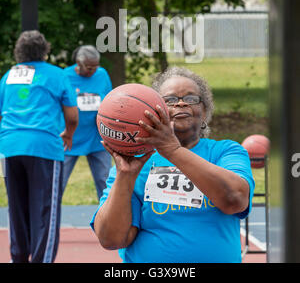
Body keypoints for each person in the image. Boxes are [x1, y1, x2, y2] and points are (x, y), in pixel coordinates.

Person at [90, 66, 255, 263]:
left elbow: (235, 199)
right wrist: (125, 176)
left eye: (191, 99)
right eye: (170, 100)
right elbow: (111, 239)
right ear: (152, 111)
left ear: (204, 111)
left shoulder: (225, 151)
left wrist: (173, 151)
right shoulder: (134, 162)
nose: (181, 104)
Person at [0, 30, 78, 263]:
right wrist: (69, 134)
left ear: (18, 51)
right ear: (45, 50)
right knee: (45, 209)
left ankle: (19, 257)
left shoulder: (8, 76)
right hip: (43, 146)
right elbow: (72, 116)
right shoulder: (57, 74)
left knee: (16, 209)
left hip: (10, 146)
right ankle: (42, 259)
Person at [62, 45, 113, 200]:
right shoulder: (65, 76)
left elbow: (110, 100)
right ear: (78, 62)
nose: (93, 71)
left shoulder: (102, 74)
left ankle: (107, 220)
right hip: (70, 137)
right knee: (58, 181)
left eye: (95, 67)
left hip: (97, 137)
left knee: (105, 182)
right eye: (89, 68)